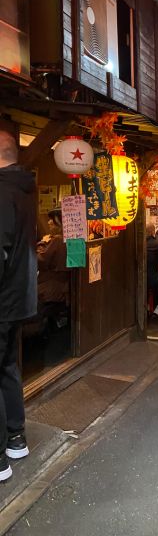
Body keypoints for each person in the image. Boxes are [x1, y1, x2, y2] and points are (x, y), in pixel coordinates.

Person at [0, 131, 37, 481]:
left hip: (2, 297)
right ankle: (15, 438)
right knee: (7, 367)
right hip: (19, 297)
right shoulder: (25, 189)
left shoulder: (2, 190)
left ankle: (0, 461)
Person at [37, 209, 70, 309]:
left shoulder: (57, 240)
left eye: (52, 219)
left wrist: (42, 243)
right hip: (64, 288)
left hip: (51, 288)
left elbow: (41, 261)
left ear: (60, 221)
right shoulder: (68, 238)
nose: (49, 222)